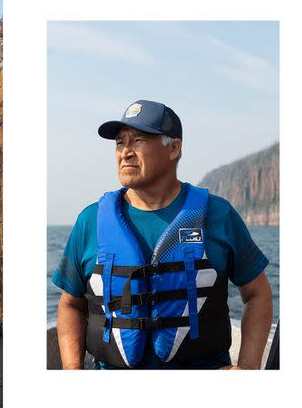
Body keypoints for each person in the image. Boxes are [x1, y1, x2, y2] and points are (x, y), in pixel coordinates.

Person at [51, 100, 273, 370]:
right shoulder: (90, 221)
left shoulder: (219, 215)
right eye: (120, 143)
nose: (126, 153)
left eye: (139, 140)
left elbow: (258, 293)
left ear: (174, 148)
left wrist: (248, 368)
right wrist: (72, 372)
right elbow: (71, 304)